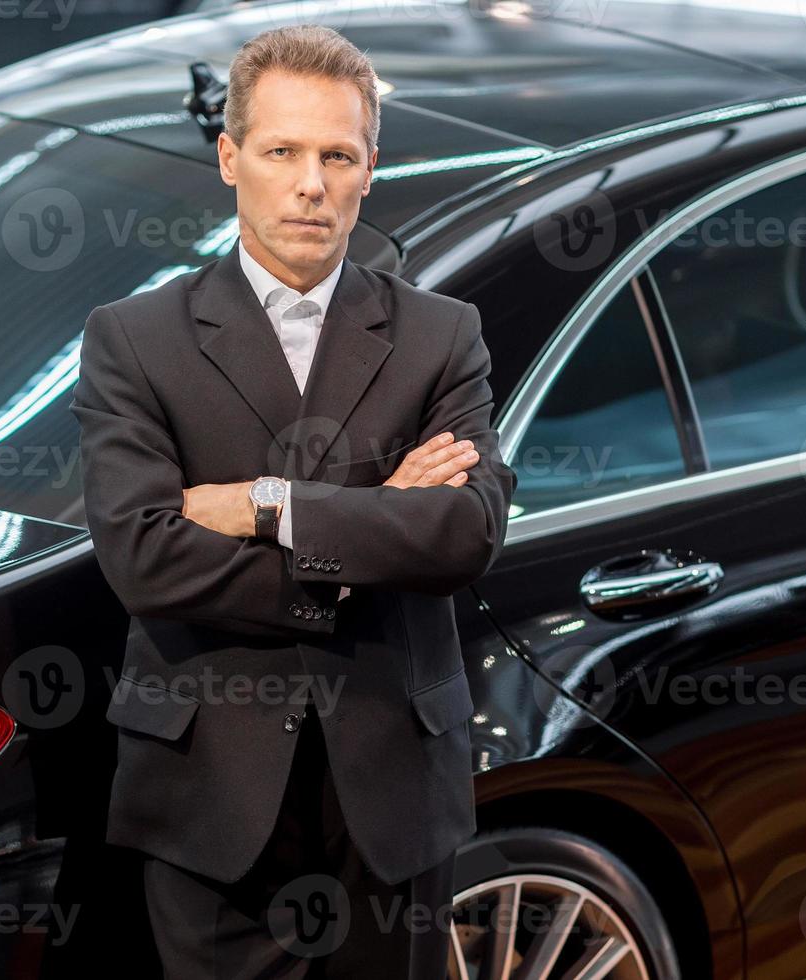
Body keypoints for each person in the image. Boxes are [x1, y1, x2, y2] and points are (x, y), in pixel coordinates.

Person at [70, 23, 517, 977]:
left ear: (370, 169)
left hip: (394, 788)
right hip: (209, 793)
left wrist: (269, 505)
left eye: (336, 155)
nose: (310, 182)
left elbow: (464, 532)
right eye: (282, 151)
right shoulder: (134, 340)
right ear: (232, 158)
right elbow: (144, 556)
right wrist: (370, 531)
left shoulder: (443, 336)